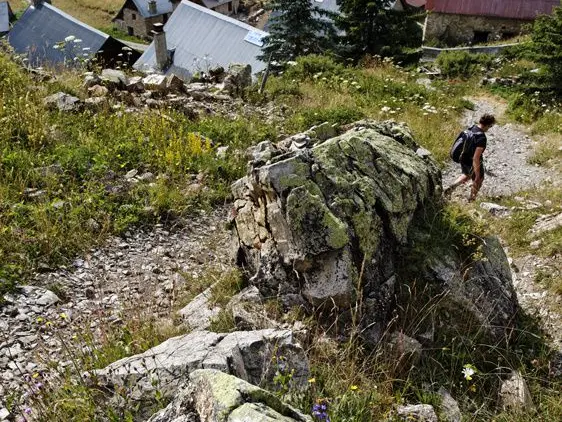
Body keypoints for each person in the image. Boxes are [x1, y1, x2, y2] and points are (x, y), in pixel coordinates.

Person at [444, 113, 496, 201]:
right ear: (488, 125)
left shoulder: (471, 128)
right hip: (471, 160)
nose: (490, 128)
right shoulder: (481, 138)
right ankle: (472, 199)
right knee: (478, 179)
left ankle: (451, 187)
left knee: (467, 174)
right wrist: (478, 174)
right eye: (490, 126)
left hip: (463, 157)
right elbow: (476, 158)